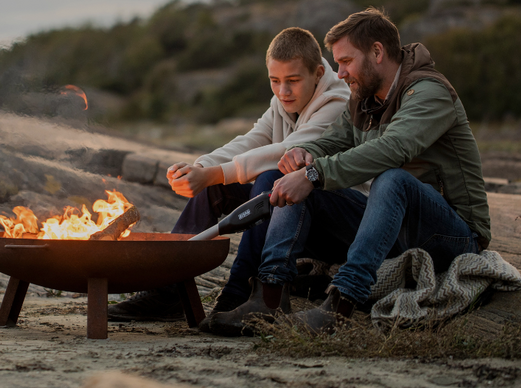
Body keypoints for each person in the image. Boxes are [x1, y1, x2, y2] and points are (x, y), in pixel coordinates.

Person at [202, 7, 492, 336]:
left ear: (377, 52)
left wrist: (314, 174)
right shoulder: (363, 99)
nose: (339, 73)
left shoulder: (429, 93)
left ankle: (340, 304)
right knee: (298, 178)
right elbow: (331, 142)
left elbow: (393, 149)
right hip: (386, 225)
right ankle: (269, 297)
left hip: (450, 233)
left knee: (392, 178)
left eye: (346, 61)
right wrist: (305, 156)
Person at [107, 27, 351, 322]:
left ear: (317, 73)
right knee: (216, 189)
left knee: (270, 177)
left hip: (342, 222)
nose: (283, 91)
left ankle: (238, 294)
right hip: (295, 215)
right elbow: (252, 139)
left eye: (293, 81)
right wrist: (201, 168)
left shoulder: (338, 103)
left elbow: (289, 152)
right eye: (275, 81)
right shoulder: (282, 103)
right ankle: (167, 289)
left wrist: (215, 173)